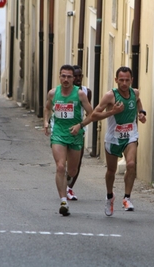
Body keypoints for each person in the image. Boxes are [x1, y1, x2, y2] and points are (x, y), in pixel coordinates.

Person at [91, 66, 147, 216]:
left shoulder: (134, 93)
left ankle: (127, 198)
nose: (124, 83)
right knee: (111, 171)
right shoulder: (110, 96)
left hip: (130, 136)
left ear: (131, 80)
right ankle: (110, 196)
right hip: (113, 138)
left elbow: (138, 101)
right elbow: (94, 115)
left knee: (131, 164)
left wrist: (141, 113)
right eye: (121, 80)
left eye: (127, 80)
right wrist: (113, 112)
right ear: (116, 80)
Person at [43, 64, 93, 216]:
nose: (66, 79)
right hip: (58, 133)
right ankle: (63, 201)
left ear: (73, 79)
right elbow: (47, 108)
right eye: (63, 76)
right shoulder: (53, 93)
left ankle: (68, 182)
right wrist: (46, 122)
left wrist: (80, 125)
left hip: (75, 135)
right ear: (59, 77)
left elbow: (92, 114)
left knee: (72, 170)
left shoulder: (80, 95)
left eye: (69, 77)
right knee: (60, 167)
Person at [66, 65, 92, 201]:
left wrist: (81, 125)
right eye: (74, 76)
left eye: (79, 76)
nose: (77, 78)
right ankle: (64, 184)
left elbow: (89, 112)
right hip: (62, 128)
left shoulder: (86, 92)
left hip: (78, 129)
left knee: (77, 161)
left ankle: (69, 187)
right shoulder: (62, 91)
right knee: (64, 161)